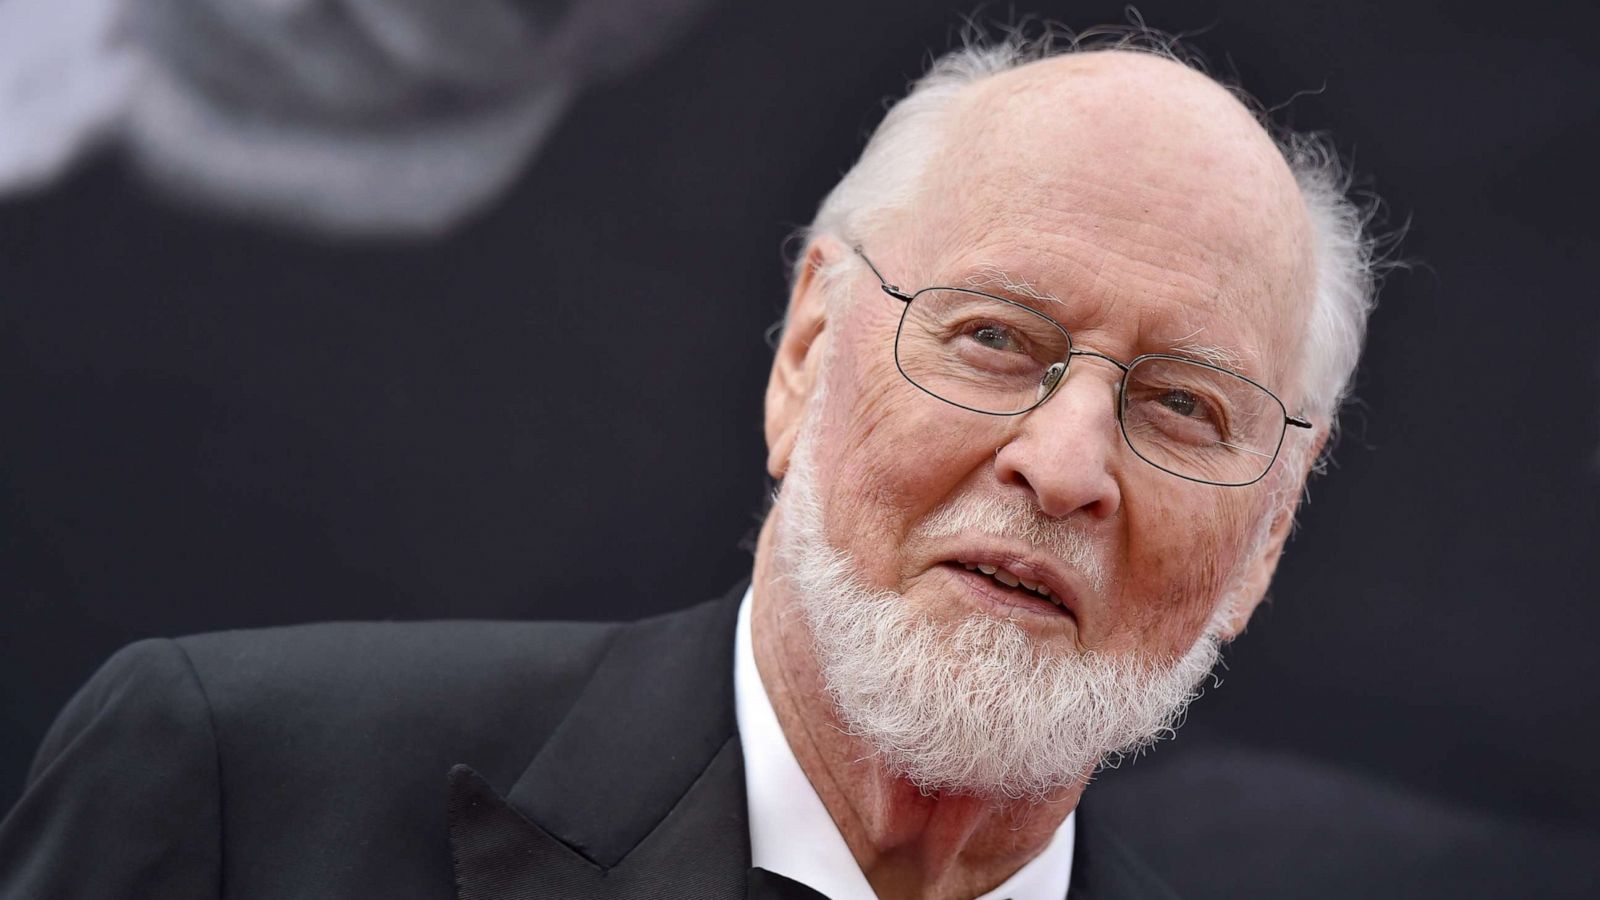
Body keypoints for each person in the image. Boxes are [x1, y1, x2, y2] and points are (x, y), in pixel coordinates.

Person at [0, 32, 1380, 900]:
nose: (1067, 463)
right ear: (806, 356)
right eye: (996, 339)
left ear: (1264, 543)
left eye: (1187, 409)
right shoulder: (245, 795)